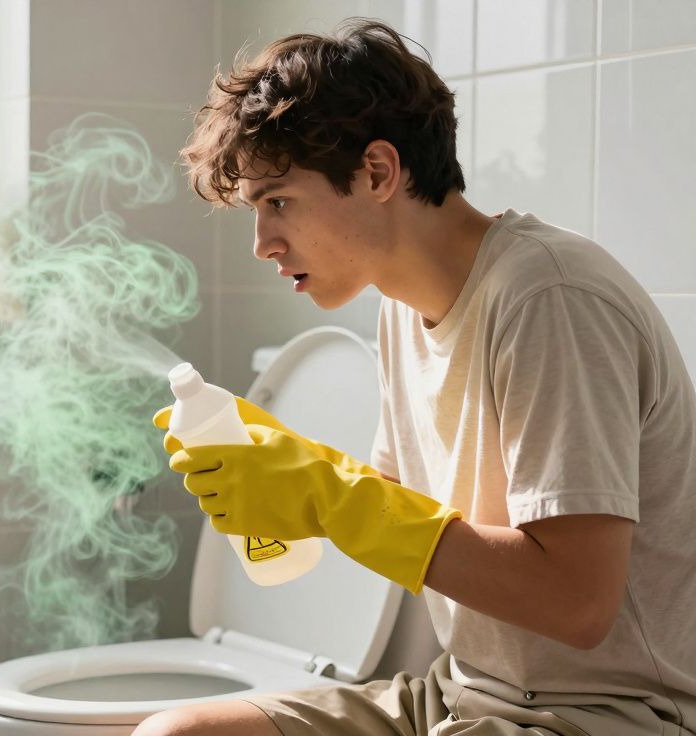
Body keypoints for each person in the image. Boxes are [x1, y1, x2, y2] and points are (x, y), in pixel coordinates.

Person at [139, 17, 696, 736]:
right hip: (460, 695)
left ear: (377, 171)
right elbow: (399, 523)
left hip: (608, 716)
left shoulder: (550, 297)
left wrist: (327, 493)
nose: (262, 243)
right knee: (172, 734)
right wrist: (287, 479)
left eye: (277, 201)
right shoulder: (402, 310)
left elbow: (577, 604)